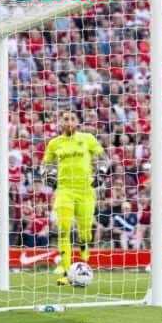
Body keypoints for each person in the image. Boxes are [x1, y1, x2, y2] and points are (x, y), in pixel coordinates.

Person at [41, 111, 105, 286]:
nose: (69, 122)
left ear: (77, 122)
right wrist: (46, 174)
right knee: (63, 229)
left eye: (72, 119)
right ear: (61, 122)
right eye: (65, 119)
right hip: (64, 191)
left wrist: (102, 173)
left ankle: (84, 263)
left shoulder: (88, 138)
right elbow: (44, 164)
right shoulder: (54, 143)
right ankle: (67, 271)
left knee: (85, 233)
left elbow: (103, 157)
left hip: (85, 191)